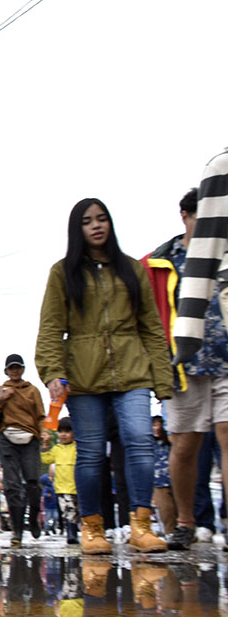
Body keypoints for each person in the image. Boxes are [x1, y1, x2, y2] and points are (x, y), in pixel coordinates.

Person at [35, 197, 172, 554]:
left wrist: (162, 377)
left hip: (133, 370)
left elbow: (152, 326)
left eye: (102, 219)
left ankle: (141, 525)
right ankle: (93, 528)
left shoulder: (131, 269)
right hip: (83, 376)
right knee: (92, 453)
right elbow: (51, 328)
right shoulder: (62, 272)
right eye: (87, 221)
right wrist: (52, 372)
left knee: (140, 440)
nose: (96, 225)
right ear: (77, 229)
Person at [145, 186, 228, 550]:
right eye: (201, 217)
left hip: (226, 362)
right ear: (186, 216)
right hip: (182, 367)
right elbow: (148, 319)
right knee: (185, 446)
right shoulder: (160, 261)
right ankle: (185, 522)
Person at [0, 353, 46, 547]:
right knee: (11, 486)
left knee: (32, 482)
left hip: (30, 439)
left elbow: (40, 416)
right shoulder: (1, 390)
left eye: (18, 367)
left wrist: (44, 433)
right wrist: (2, 399)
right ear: (6, 371)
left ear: (23, 369)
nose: (15, 371)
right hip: (7, 439)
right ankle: (17, 531)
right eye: (11, 368)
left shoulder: (33, 390)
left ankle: (34, 517)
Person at [149, 415, 175, 535]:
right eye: (154, 425)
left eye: (159, 425)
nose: (156, 428)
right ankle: (170, 532)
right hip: (158, 481)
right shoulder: (147, 444)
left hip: (175, 479)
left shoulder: (171, 442)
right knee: (166, 510)